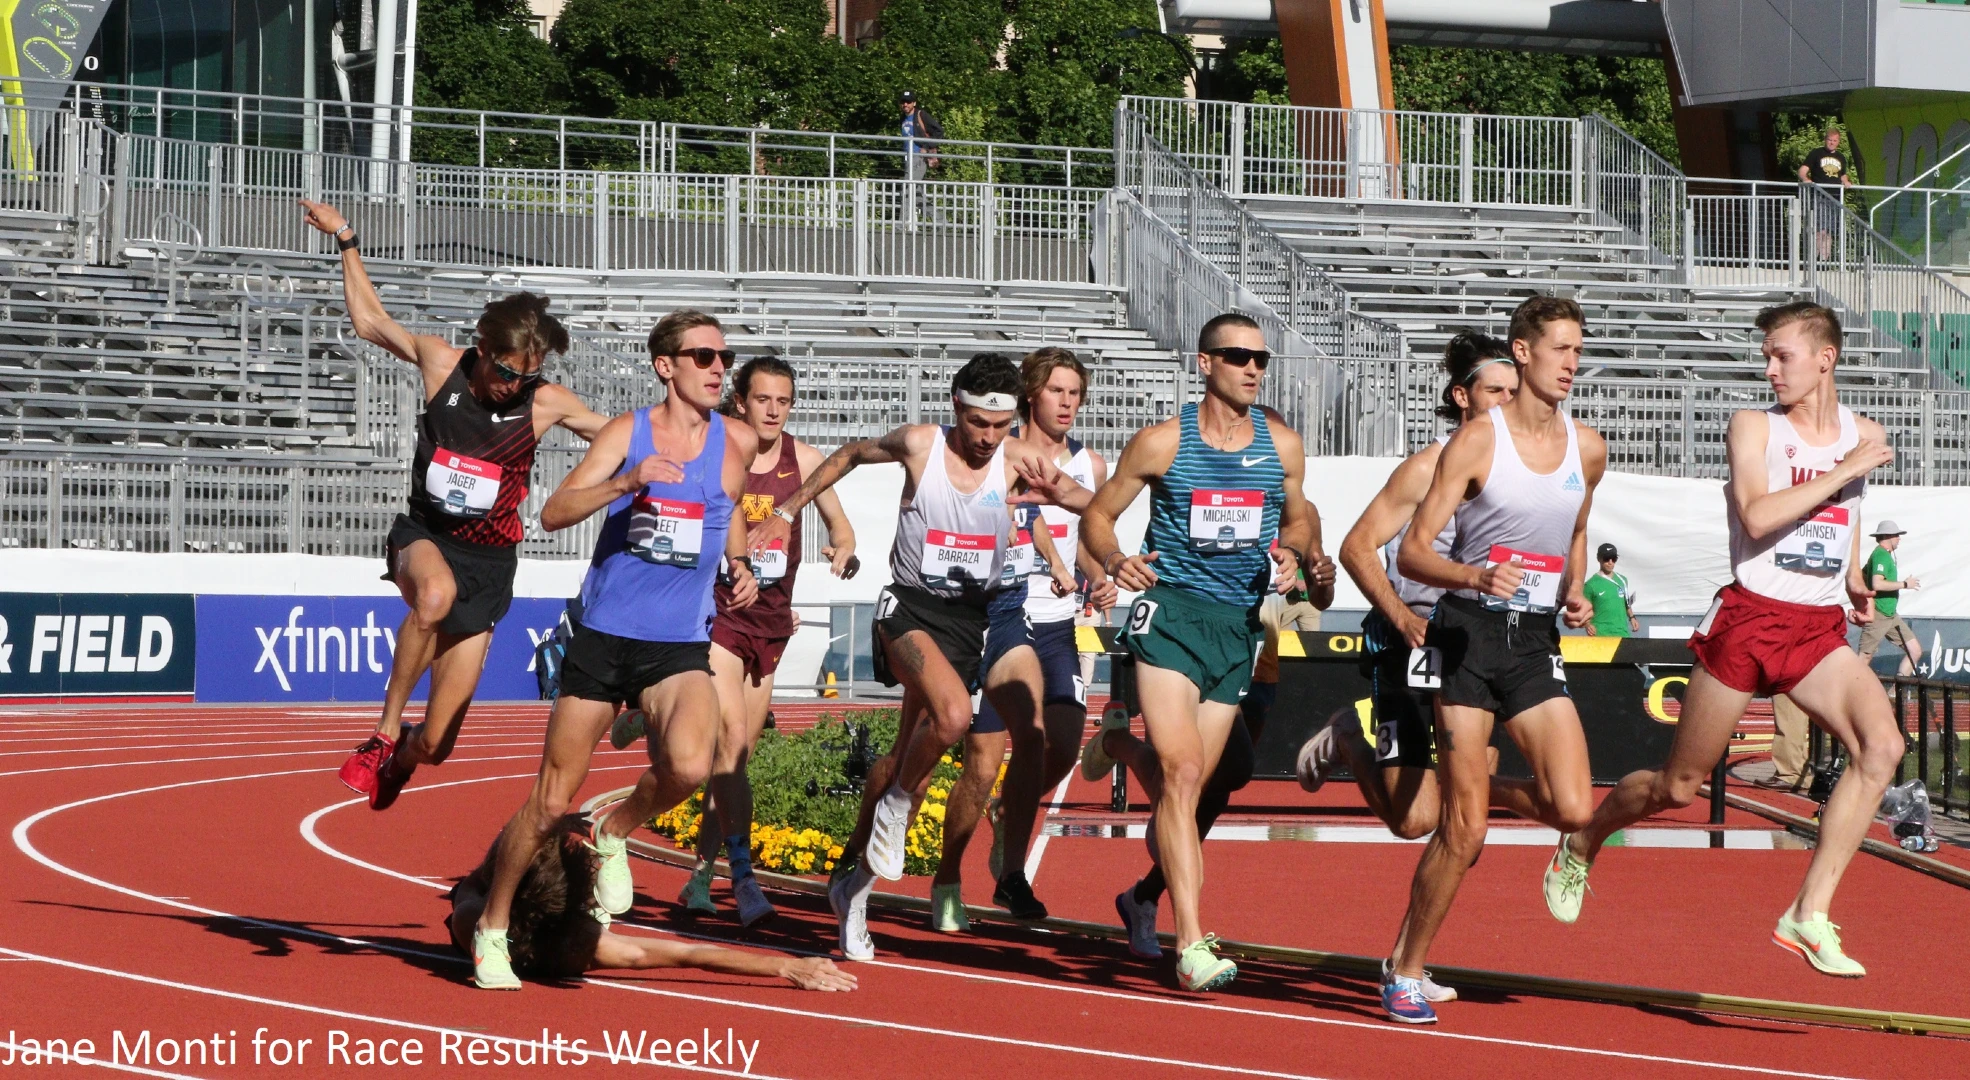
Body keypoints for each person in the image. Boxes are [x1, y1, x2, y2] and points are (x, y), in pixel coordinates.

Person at [1542, 302, 1903, 982]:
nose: (1769, 370)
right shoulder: (1753, 427)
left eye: (1782, 356)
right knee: (1678, 786)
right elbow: (1760, 515)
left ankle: (1809, 910)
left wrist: (1852, 574)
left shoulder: (1864, 432)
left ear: (1824, 359)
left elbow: (1845, 511)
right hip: (1750, 619)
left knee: (1882, 747)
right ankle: (1584, 839)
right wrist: (1843, 469)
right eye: (1765, 356)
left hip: (1816, 628)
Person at [744, 353, 1082, 960]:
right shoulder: (922, 446)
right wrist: (787, 513)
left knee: (936, 749)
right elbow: (847, 455)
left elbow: (1089, 500)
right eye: (978, 424)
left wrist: (1088, 522)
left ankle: (854, 890)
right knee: (950, 721)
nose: (988, 440)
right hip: (909, 613)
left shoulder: (1018, 460)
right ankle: (896, 807)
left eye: (1000, 427)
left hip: (979, 621)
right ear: (957, 407)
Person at [470, 310, 760, 991]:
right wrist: (628, 483)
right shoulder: (626, 432)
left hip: (678, 642)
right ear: (667, 366)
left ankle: (614, 831)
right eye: (703, 356)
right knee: (548, 804)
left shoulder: (736, 441)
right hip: (603, 639)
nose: (719, 367)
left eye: (724, 356)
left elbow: (726, 515)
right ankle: (492, 925)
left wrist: (738, 565)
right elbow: (553, 512)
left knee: (691, 765)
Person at [302, 199, 609, 811]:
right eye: (503, 371)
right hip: (424, 536)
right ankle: (384, 733)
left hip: (490, 567)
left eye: (525, 376)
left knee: (439, 743)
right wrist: (346, 239)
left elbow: (614, 433)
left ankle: (405, 757)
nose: (512, 385)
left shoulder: (544, 402)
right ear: (482, 347)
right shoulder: (442, 363)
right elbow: (369, 321)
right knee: (433, 597)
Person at [1079, 312, 1321, 993]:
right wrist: (1117, 559)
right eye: (1239, 356)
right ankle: (1191, 943)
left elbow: (1299, 514)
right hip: (1172, 615)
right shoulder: (1161, 442)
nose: (1253, 369)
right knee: (1183, 774)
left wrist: (1294, 554)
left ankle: (1120, 749)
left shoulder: (1281, 445)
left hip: (1239, 625)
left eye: (1261, 359)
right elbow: (1098, 515)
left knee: (1191, 785)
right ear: (1204, 362)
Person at [1382, 295, 1607, 1024]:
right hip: (1468, 635)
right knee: (1464, 832)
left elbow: (1574, 528)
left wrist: (1574, 588)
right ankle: (1405, 968)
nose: (1572, 363)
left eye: (1579, 349)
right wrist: (1476, 575)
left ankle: (1475, 789)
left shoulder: (1589, 447)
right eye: (1560, 349)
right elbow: (1415, 550)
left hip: (1535, 640)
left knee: (1573, 806)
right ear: (1522, 352)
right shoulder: (1479, 441)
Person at [665, 357, 860, 927]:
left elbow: (840, 526)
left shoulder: (806, 460)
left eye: (784, 401)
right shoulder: (721, 448)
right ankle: (744, 880)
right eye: (763, 400)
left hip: (771, 625)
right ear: (741, 402)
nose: (774, 410)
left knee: (735, 759)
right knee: (728, 744)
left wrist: (844, 550)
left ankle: (700, 875)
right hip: (718, 617)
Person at [948, 348, 1118, 927]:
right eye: (1057, 391)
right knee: (982, 760)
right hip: (996, 618)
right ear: (1030, 395)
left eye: (1076, 393)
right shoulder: (998, 453)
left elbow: (1094, 546)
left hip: (1057, 625)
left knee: (1061, 746)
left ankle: (1009, 849)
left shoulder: (1091, 467)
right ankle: (955, 876)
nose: (1068, 402)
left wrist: (1099, 581)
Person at [1097, 569, 1334, 965]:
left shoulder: (1286, 508)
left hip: (1257, 654)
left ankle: (1143, 897)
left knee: (1217, 790)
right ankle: (1121, 746)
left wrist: (1311, 567)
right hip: (1198, 643)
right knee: (1223, 769)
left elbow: (1319, 584)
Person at [447, 815, 856, 990]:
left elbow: (472, 886)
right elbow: (688, 953)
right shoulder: (584, 944)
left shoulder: (469, 920)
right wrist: (785, 965)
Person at [1857, 521, 1922, 676]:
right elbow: (1877, 583)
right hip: (1879, 614)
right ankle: (1849, 695)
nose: (1899, 539)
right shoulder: (1881, 555)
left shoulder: (1881, 555)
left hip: (1890, 614)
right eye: (1897, 535)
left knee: (1915, 651)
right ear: (1888, 536)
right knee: (1864, 658)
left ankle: (1895, 694)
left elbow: (1863, 574)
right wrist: (1905, 584)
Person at [1799, 127, 1853, 259]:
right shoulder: (1816, 153)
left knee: (1829, 231)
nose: (1832, 143)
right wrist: (1807, 180)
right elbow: (1802, 171)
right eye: (1830, 140)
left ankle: (1824, 261)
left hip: (1835, 198)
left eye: (1835, 140)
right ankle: (1814, 260)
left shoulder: (1841, 157)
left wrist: (1846, 182)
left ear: (1838, 142)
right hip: (1819, 196)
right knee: (1819, 230)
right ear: (1825, 140)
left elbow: (1843, 176)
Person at [1583, 542, 1639, 637]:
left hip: (1622, 632)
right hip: (1600, 633)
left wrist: (1632, 617)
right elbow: (1584, 611)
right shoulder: (1590, 584)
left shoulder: (1623, 580)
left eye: (1614, 559)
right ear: (1598, 559)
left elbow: (1626, 603)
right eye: (1606, 559)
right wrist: (1587, 625)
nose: (1610, 562)